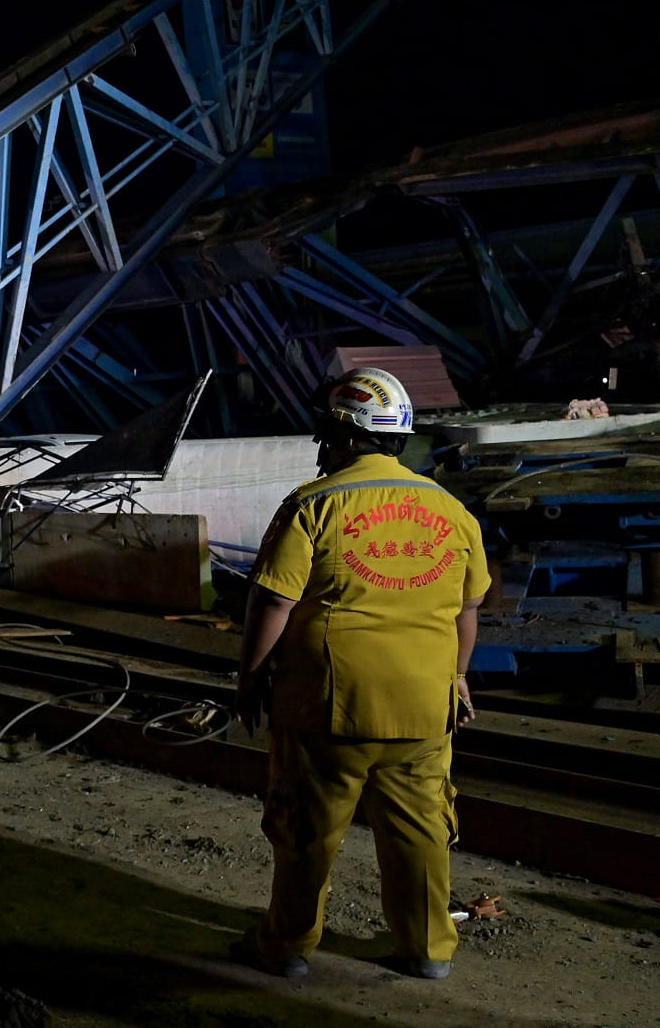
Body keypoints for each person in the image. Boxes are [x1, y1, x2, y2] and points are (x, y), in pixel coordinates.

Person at [232, 367, 489, 981]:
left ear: (343, 435)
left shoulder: (313, 504)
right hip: (425, 707)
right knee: (421, 830)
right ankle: (427, 950)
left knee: (308, 832)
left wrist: (250, 679)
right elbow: (468, 608)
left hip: (329, 707)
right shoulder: (450, 509)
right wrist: (457, 676)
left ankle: (287, 948)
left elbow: (273, 602)